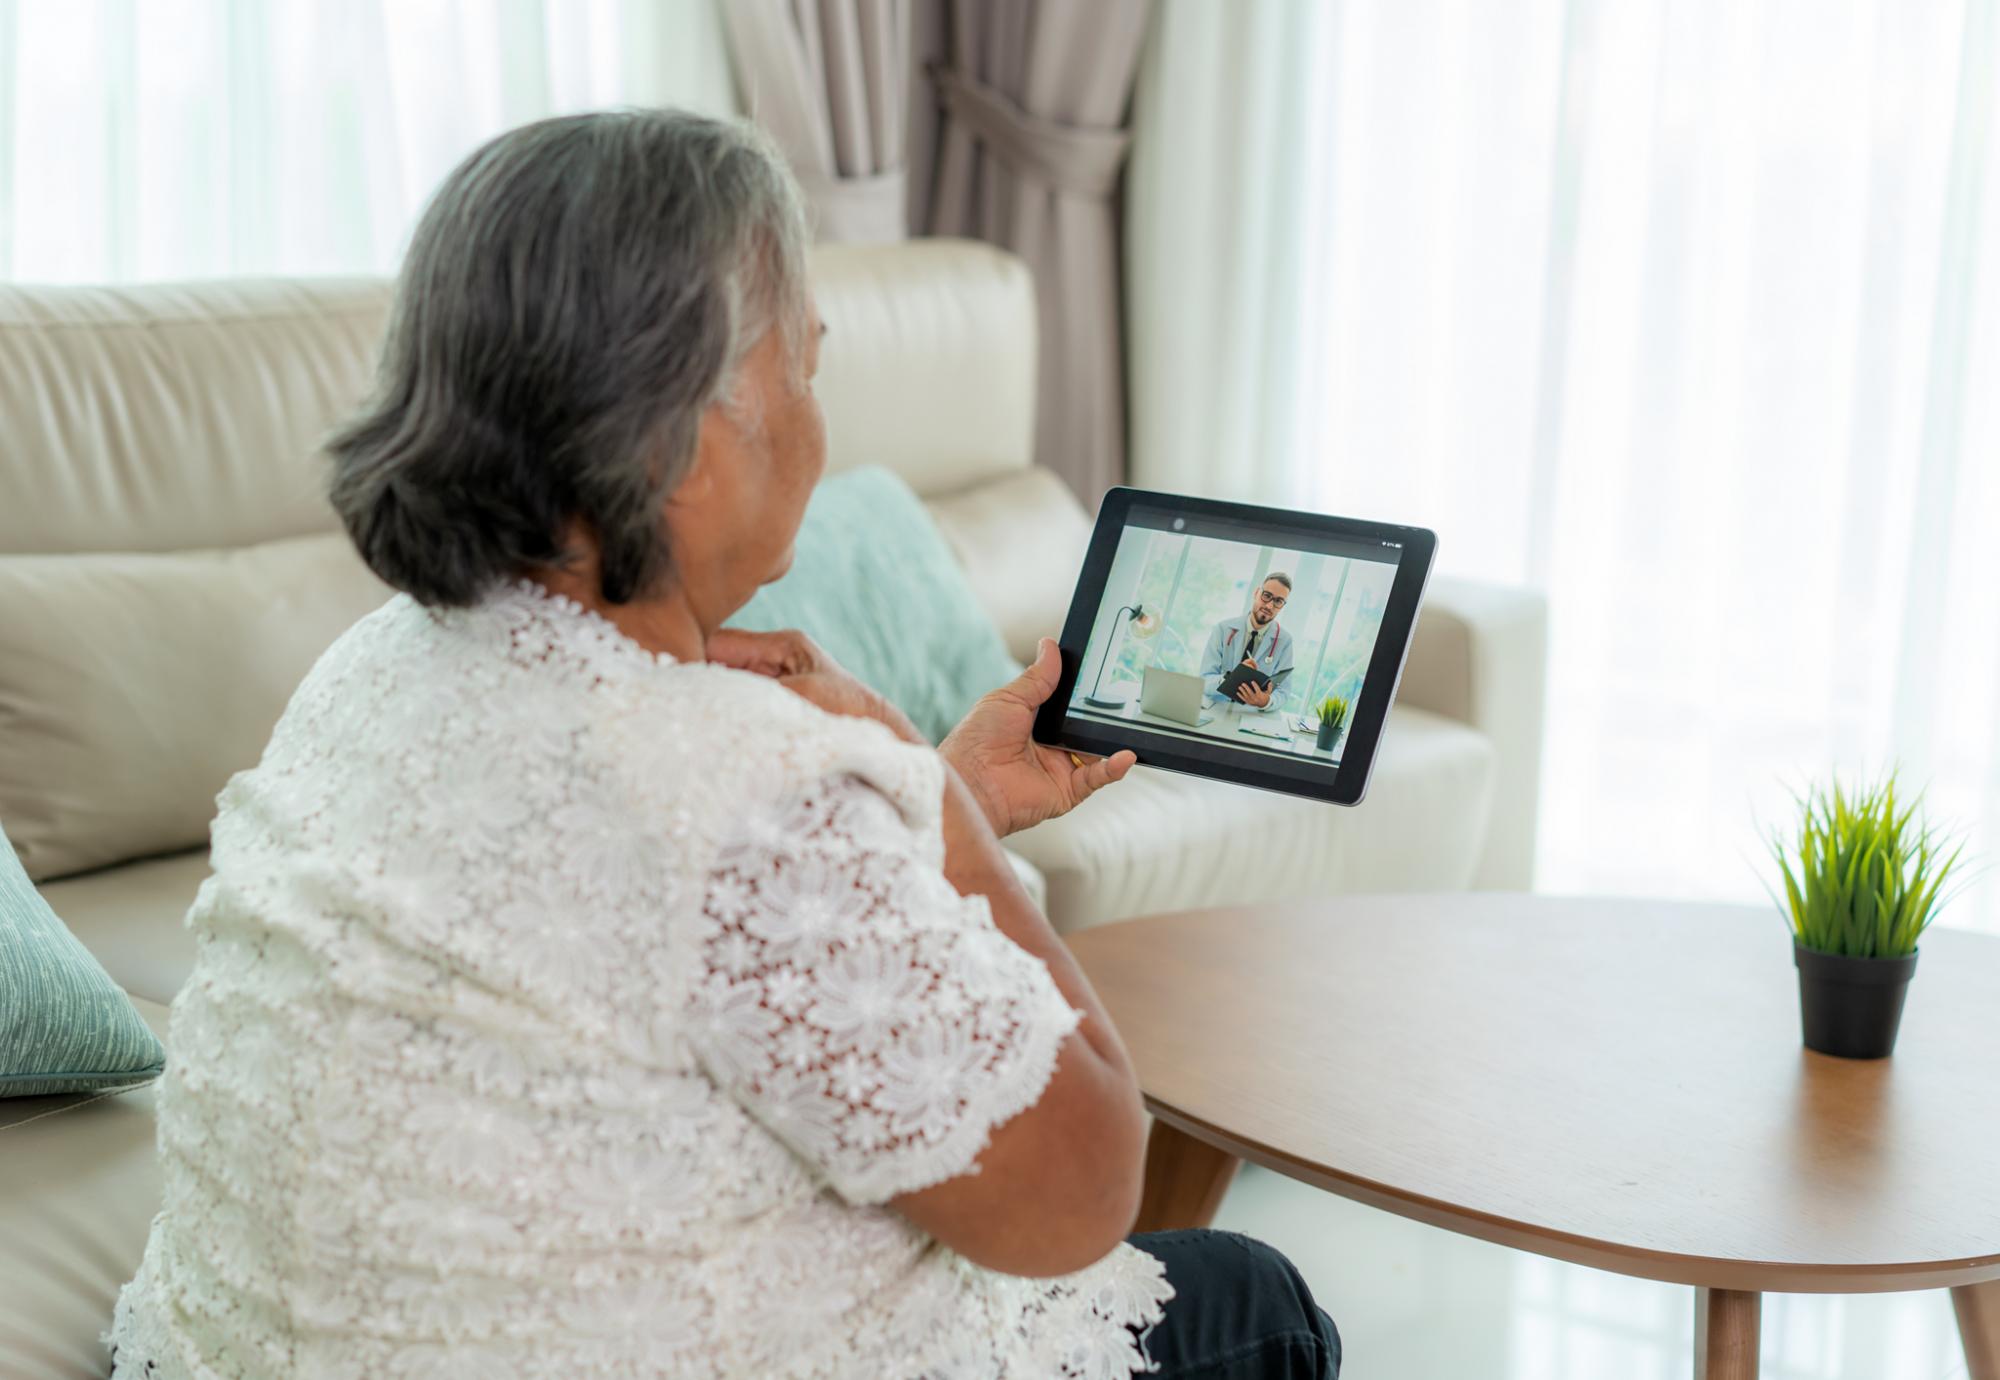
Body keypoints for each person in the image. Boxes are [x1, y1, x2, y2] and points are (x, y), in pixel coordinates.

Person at [105, 110, 1340, 1379]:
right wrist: (920, 792)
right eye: (805, 367)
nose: (818, 420)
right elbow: (1082, 1189)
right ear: (690, 447)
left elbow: (637, 936)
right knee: (1256, 1302)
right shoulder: (745, 793)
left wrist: (905, 812)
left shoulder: (372, 669)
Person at [1200, 574, 1297, 712]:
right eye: (1267, 595)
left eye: (1278, 601)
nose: (1269, 605)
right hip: (1216, 710)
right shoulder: (1223, 629)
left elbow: (1283, 691)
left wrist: (1266, 702)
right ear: (1257, 593)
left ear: (1282, 605)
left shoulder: (1285, 641)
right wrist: (1231, 678)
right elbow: (1204, 680)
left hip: (1251, 716)